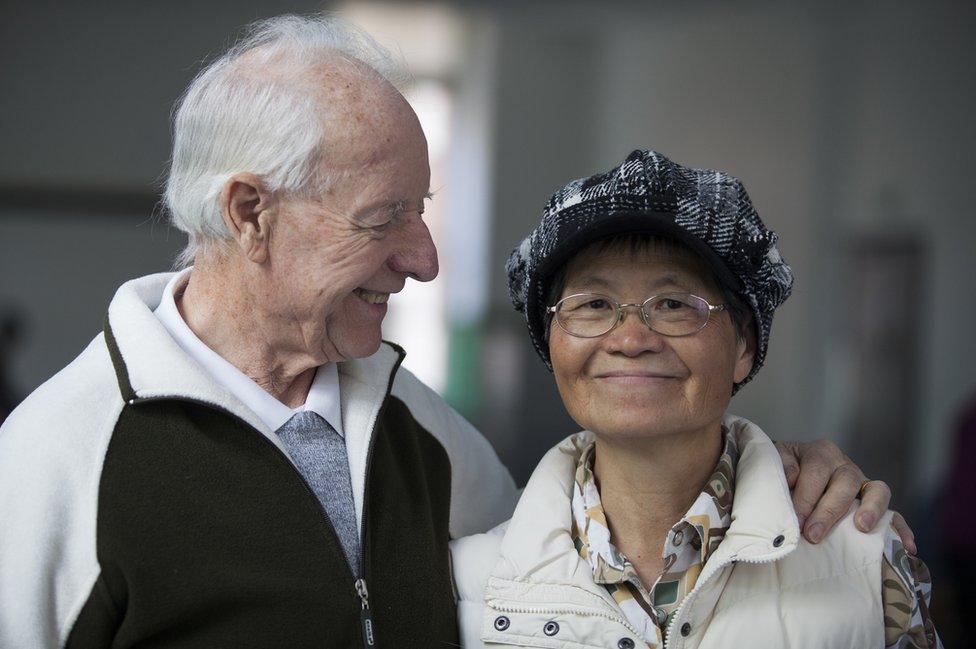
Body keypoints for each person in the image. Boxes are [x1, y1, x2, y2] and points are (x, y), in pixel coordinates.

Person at [0, 16, 905, 649]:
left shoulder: (424, 434)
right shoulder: (53, 463)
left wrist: (779, 476)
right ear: (250, 214)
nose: (426, 259)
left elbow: (593, 561)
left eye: (421, 210)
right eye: (385, 216)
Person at [452, 150, 940, 648]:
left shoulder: (862, 562)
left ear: (744, 347)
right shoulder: (469, 586)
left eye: (673, 304)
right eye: (594, 304)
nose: (630, 338)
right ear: (552, 344)